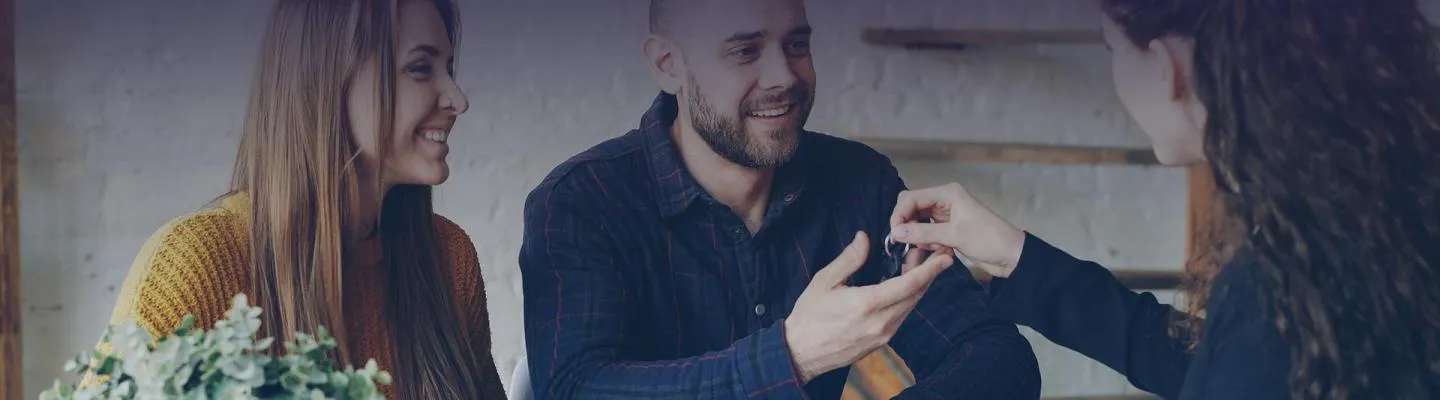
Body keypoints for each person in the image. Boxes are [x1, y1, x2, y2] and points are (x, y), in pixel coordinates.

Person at [887, 0, 1440, 399]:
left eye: (1112, 49)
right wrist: (1017, 255)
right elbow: (1211, 366)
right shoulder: (1375, 220)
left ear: (1165, 66)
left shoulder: (1278, 283)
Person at [516, 0, 1042, 398]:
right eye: (745, 50)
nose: (785, 77)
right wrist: (790, 356)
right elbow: (576, 389)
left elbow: (995, 354)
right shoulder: (582, 204)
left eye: (796, 44)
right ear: (668, 64)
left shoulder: (859, 183)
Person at [98, 0, 507, 398]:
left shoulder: (448, 258)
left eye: (449, 69)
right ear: (328, 78)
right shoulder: (195, 263)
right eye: (421, 68)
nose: (457, 98)